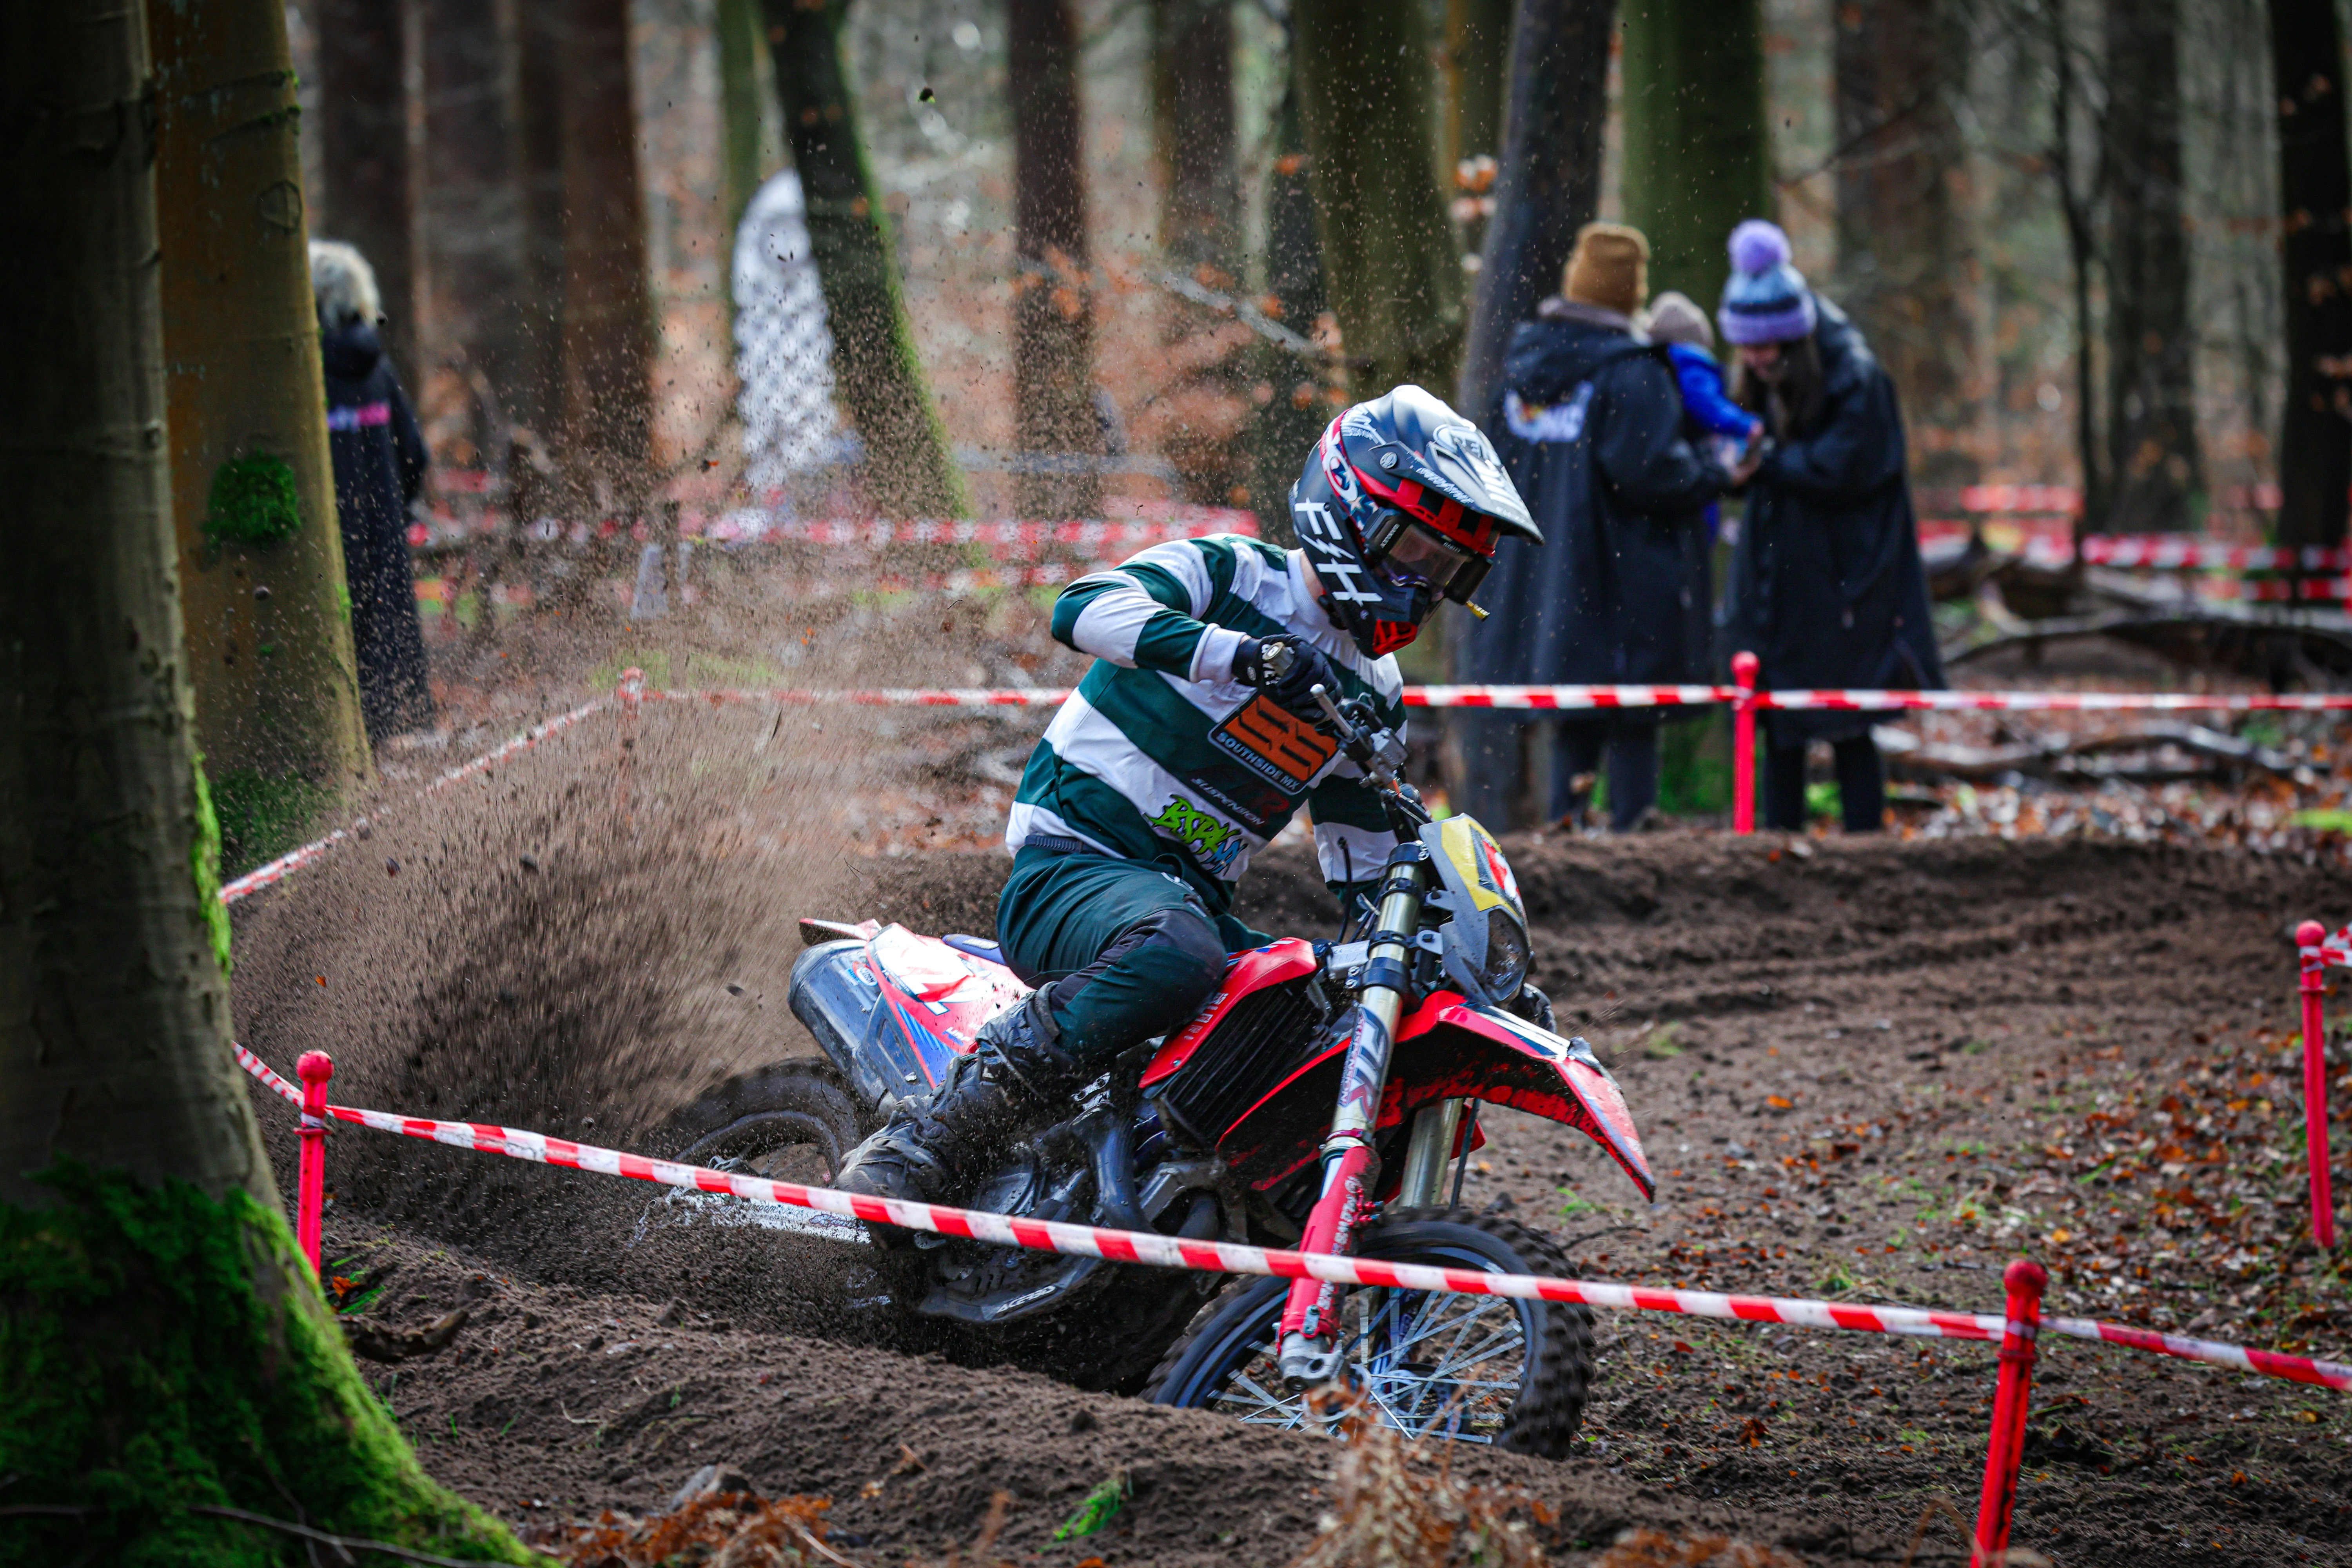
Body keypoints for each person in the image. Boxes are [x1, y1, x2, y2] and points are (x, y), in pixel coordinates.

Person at [834, 386, 1541, 1206]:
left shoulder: (1373, 686)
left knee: (1314, 1008)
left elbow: (1370, 870)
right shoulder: (1232, 573)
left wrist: (1476, 971)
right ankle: (932, 1136)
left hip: (1183, 905)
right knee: (1178, 951)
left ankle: (1191, 1200)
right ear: (1352, 510)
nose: (1425, 586)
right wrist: (1243, 656)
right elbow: (1082, 608)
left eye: (1450, 571)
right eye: (1417, 552)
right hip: (1072, 867)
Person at [1468, 223, 1729, 832]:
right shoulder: (1632, 374)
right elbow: (1654, 473)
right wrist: (1717, 470)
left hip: (1537, 587)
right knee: (1632, 717)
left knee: (1573, 717)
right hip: (1618, 585)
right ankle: (1630, 839)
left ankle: (1567, 835)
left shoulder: (1519, 374)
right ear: (1631, 294)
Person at [1716, 220, 1943, 833]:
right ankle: (1780, 847)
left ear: (1793, 339)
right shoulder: (1768, 382)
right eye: (1747, 347)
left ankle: (1864, 849)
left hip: (1846, 583)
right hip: (1779, 586)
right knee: (1779, 726)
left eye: (1766, 347)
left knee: (1849, 723)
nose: (1755, 359)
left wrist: (1765, 463)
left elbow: (1843, 468)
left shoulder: (1856, 378)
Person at [310, 240, 435, 741]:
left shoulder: (304, 376)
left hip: (327, 540)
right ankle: (393, 738)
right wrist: (397, 509)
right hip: (383, 534)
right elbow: (415, 452)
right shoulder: (378, 369)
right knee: (386, 641)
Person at [1641, 290, 1764, 535]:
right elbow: (1708, 406)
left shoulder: (1649, 371)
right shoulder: (1691, 368)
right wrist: (1745, 425)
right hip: (1697, 465)